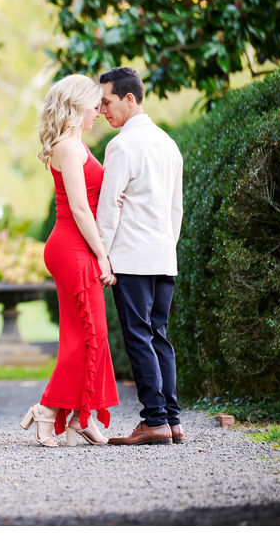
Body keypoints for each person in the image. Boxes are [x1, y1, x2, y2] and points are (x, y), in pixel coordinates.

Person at [20, 74, 119, 447]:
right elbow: (79, 208)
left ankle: (81, 416)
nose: (98, 111)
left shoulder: (76, 144)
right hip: (72, 247)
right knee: (84, 337)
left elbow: (90, 197)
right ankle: (48, 410)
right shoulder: (66, 146)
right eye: (95, 104)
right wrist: (102, 255)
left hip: (77, 246)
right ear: (77, 105)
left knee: (90, 335)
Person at [95, 67, 184, 446]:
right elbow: (176, 208)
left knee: (138, 337)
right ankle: (173, 420)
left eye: (106, 102)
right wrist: (167, 246)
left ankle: (153, 421)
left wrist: (102, 254)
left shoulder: (121, 146)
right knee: (159, 336)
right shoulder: (169, 144)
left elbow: (108, 210)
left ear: (129, 99)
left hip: (131, 259)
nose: (101, 111)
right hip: (164, 257)